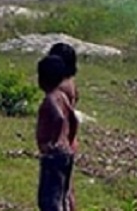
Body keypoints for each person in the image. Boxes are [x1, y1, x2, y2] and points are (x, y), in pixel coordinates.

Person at [35, 54, 77, 211]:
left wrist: (53, 141)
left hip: (54, 155)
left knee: (49, 197)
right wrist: (69, 138)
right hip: (66, 152)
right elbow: (73, 119)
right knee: (63, 193)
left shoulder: (50, 99)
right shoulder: (63, 97)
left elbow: (59, 118)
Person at [47, 42, 79, 210]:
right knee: (66, 188)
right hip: (68, 142)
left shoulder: (61, 88)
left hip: (61, 142)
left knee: (59, 192)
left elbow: (63, 118)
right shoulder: (70, 83)